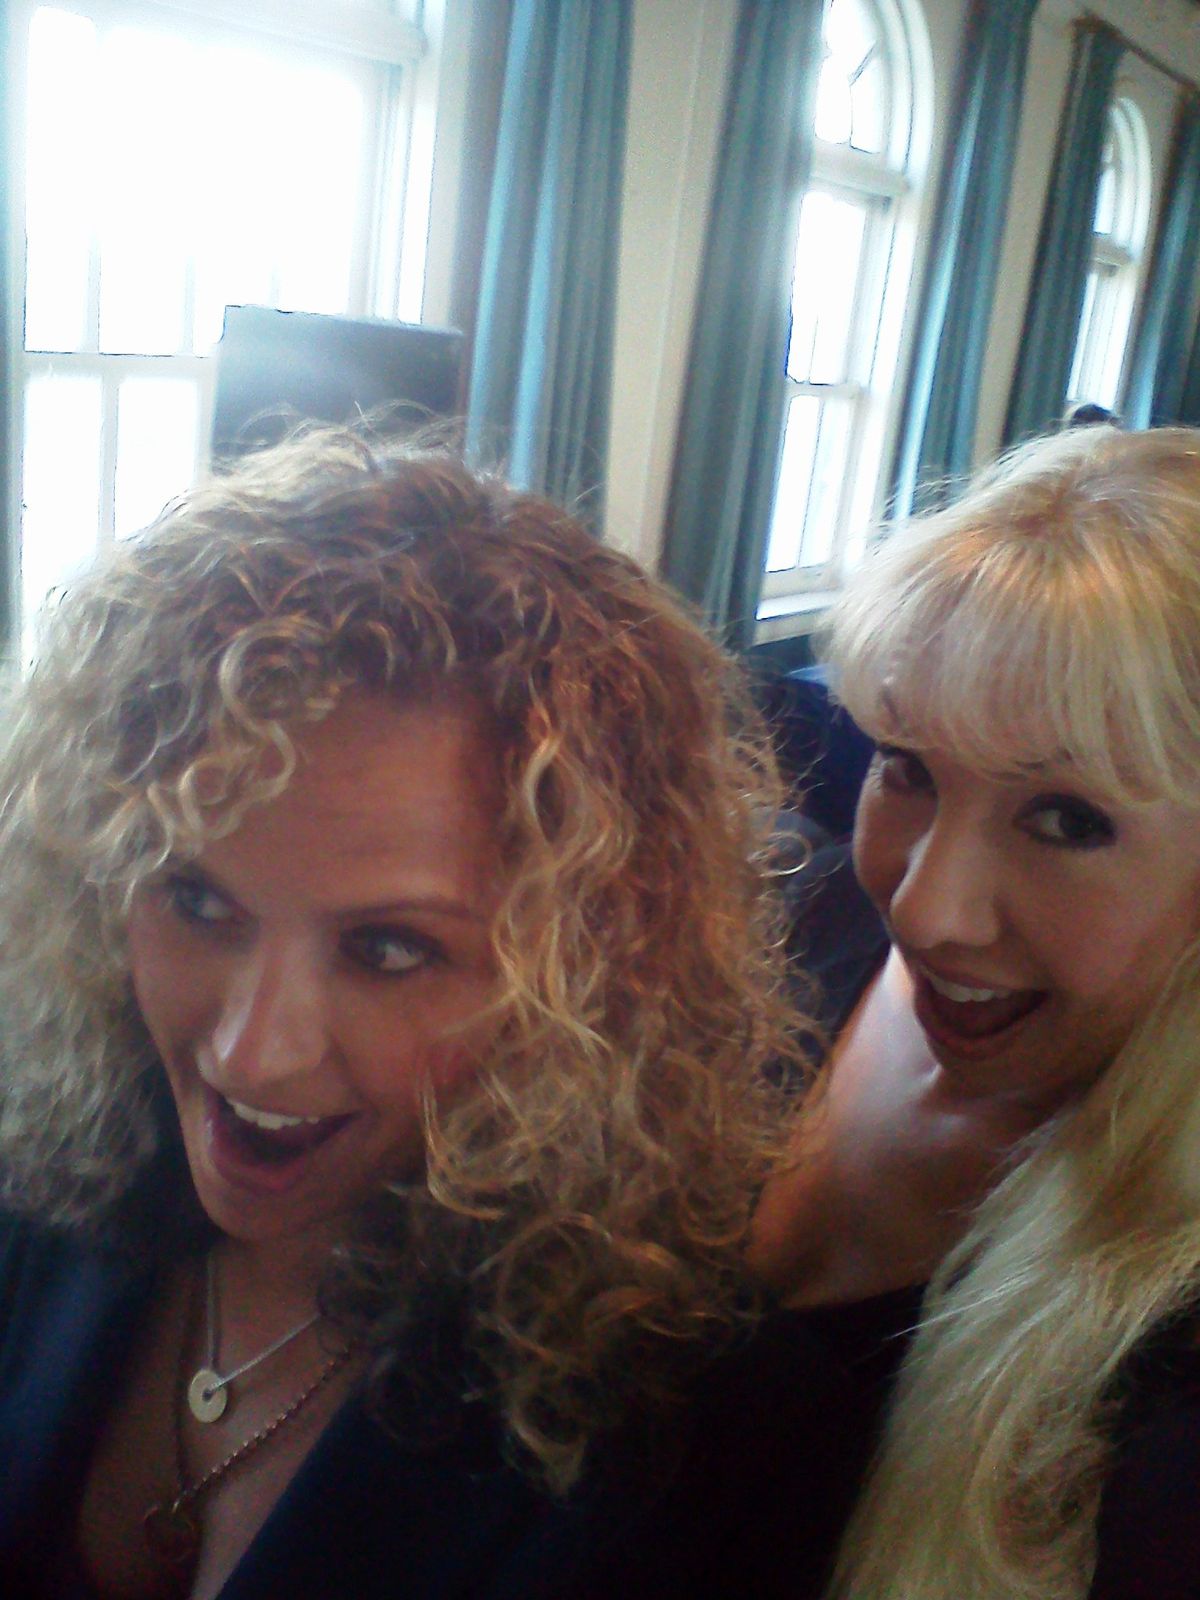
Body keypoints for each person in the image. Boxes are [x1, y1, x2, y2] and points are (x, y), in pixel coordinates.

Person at [0, 427, 806, 1599]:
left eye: (387, 949)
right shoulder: (42, 1185)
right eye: (197, 900)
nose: (252, 1055)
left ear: (585, 967)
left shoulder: (693, 1445)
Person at [750, 424, 1200, 1600]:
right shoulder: (795, 935)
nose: (926, 909)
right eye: (907, 766)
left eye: (1067, 820)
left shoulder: (1166, 1359)